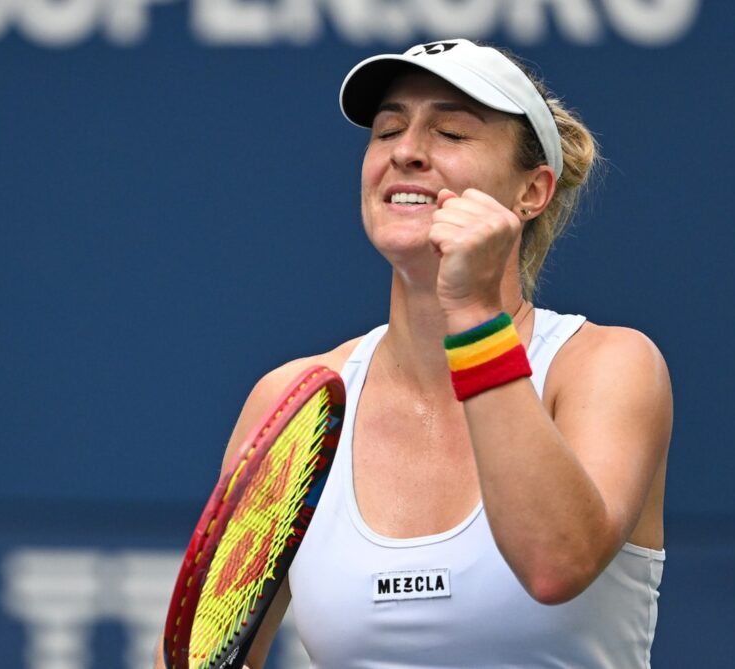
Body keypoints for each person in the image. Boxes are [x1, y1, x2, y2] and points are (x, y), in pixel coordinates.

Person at [166, 38, 672, 669]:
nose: (406, 151)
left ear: (533, 191)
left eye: (453, 133)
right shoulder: (297, 400)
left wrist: (473, 313)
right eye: (388, 131)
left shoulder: (607, 367)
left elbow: (555, 564)